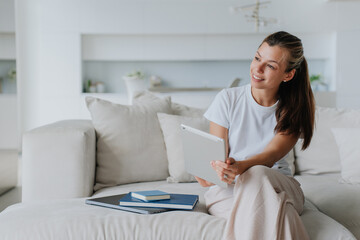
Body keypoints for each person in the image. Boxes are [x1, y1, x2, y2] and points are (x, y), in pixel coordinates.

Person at [196, 31, 315, 240]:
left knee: (258, 173)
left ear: (288, 75)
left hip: (280, 186)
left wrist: (240, 167)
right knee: (282, 215)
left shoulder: (293, 109)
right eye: (257, 58)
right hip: (229, 192)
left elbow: (269, 157)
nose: (257, 69)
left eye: (270, 66)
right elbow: (213, 163)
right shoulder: (228, 99)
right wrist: (215, 171)